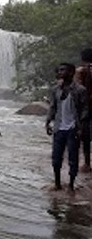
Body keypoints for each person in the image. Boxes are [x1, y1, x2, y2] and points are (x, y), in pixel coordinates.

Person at [46, 63, 89, 192]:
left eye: (62, 70)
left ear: (71, 72)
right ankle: (57, 184)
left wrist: (81, 126)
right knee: (56, 158)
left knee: (73, 158)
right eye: (59, 70)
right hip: (59, 128)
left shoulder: (80, 90)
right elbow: (53, 107)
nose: (59, 72)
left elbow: (85, 109)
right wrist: (48, 122)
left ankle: (70, 185)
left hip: (73, 128)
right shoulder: (55, 90)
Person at [74, 48, 92, 173]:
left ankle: (86, 163)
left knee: (84, 135)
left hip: (85, 107)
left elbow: (77, 89)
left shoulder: (81, 70)